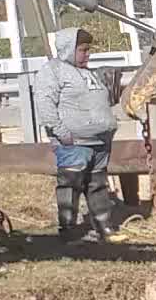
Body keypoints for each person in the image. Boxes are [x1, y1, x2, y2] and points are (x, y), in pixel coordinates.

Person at [32, 28, 133, 243]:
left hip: (99, 142)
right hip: (74, 142)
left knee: (98, 185)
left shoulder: (88, 73)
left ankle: (104, 228)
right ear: (69, 49)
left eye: (89, 50)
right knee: (71, 184)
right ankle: (68, 232)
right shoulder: (53, 71)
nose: (88, 54)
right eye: (83, 50)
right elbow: (45, 104)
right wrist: (61, 133)